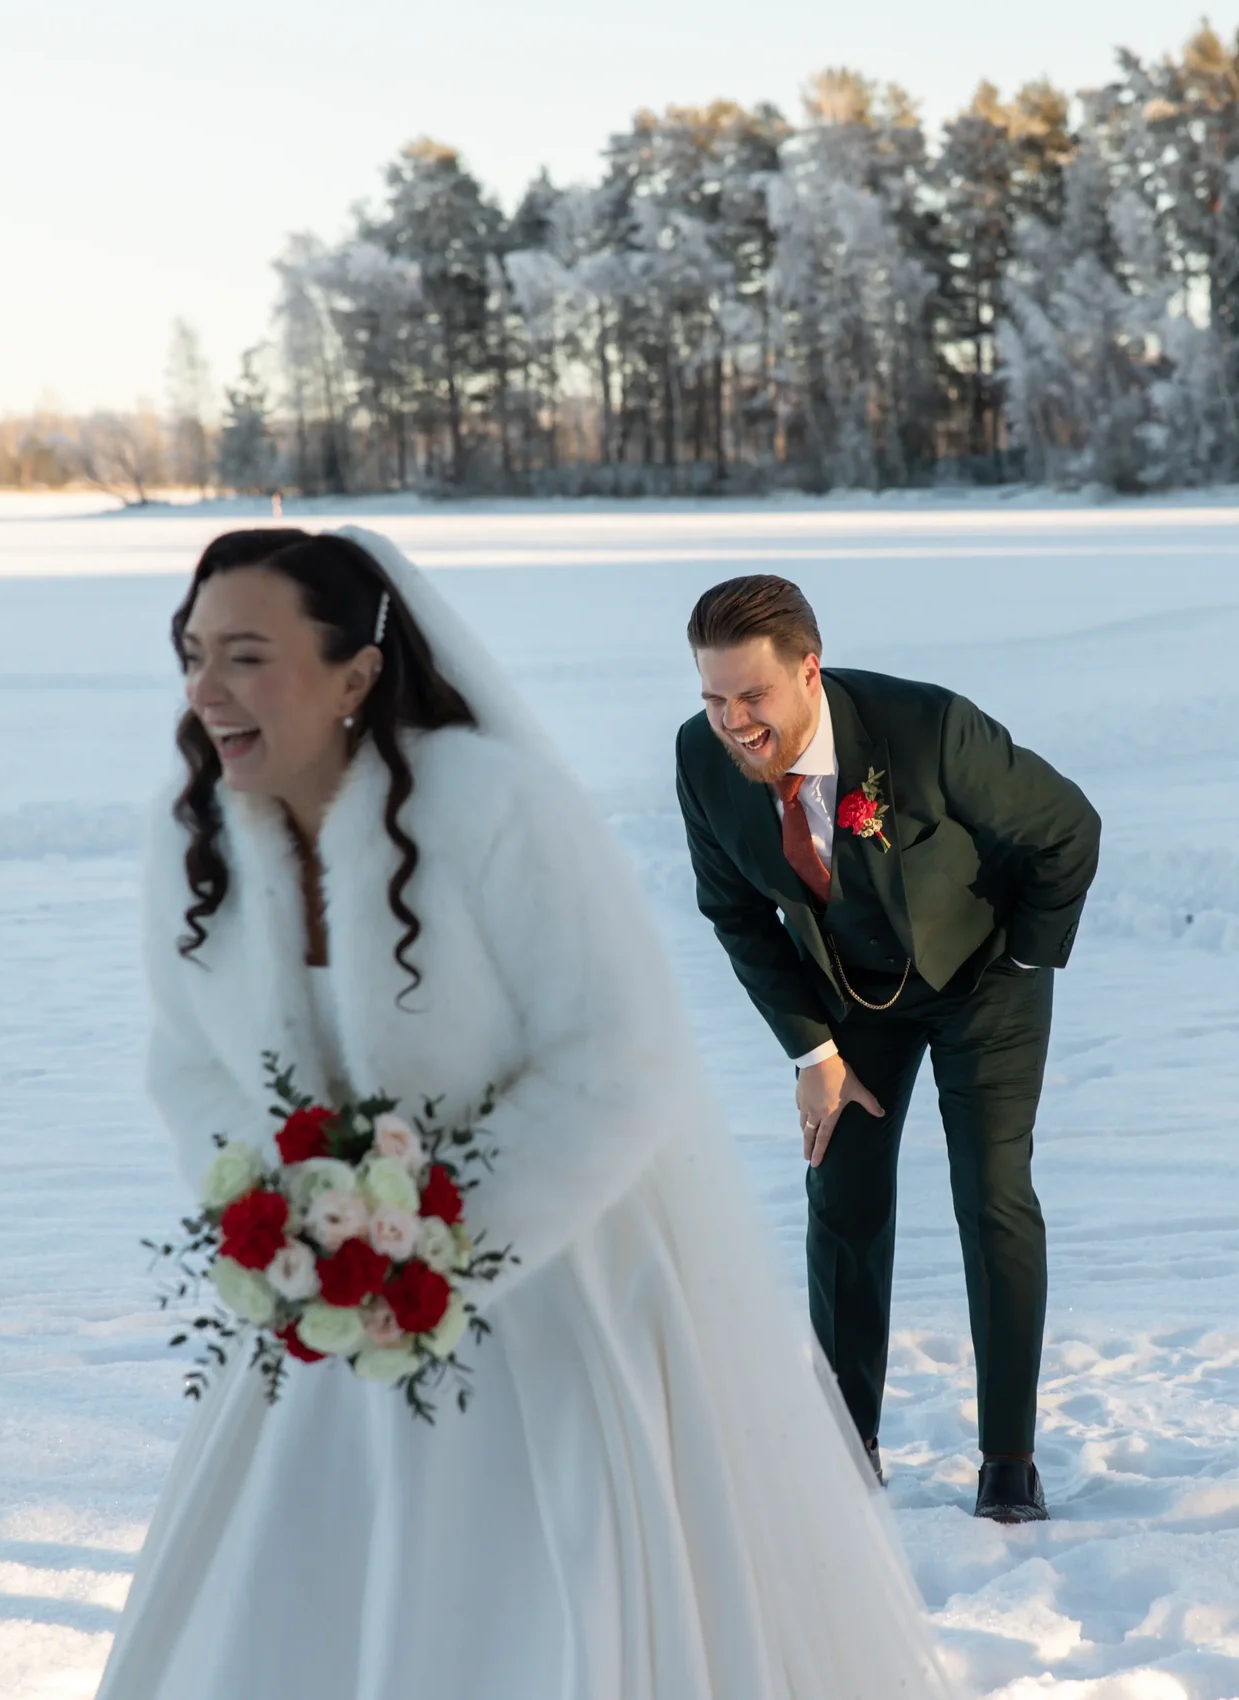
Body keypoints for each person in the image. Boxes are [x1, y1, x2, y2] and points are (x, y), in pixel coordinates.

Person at [97, 529, 960, 1699]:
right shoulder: (189, 833)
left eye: (245, 656)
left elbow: (617, 1053)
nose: (206, 691)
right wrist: (286, 1207)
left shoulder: (492, 808)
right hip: (327, 1314)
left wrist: (449, 1229)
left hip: (557, 1295)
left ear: (354, 672)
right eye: (191, 654)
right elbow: (186, 1057)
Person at [675, 575, 1100, 1524]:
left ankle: (1008, 1460)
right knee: (844, 1190)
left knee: (990, 1194)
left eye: (753, 697)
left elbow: (1069, 830)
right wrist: (811, 1052)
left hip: (984, 977)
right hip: (850, 994)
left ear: (809, 671)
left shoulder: (928, 729)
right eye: (713, 699)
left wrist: (1026, 955)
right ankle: (845, 1443)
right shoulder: (701, 762)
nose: (734, 722)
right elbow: (735, 914)